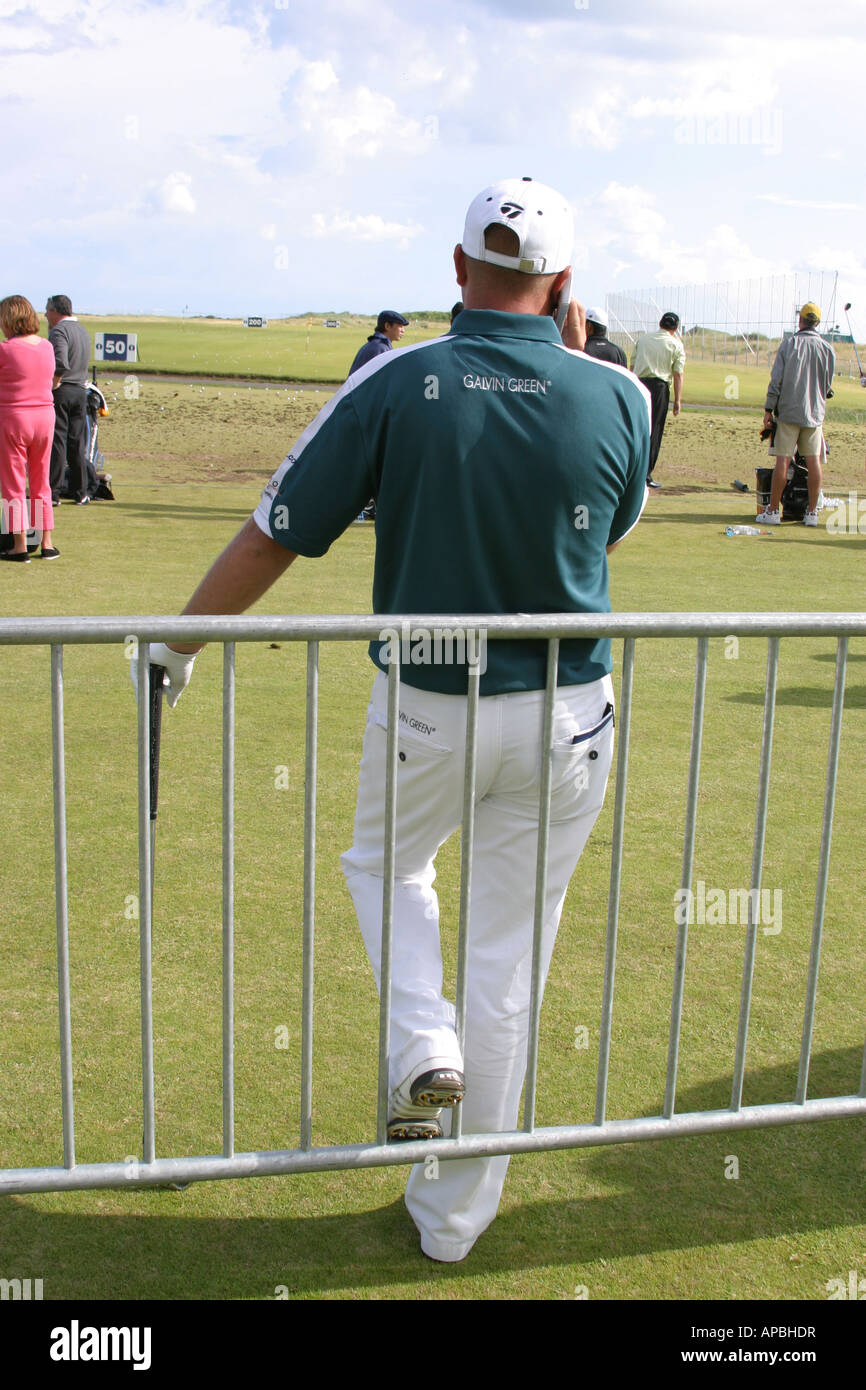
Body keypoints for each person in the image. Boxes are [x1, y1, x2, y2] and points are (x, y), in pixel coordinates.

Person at [141, 177, 650, 1262]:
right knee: (510, 960)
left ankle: (422, 1037)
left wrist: (175, 646)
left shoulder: (395, 377)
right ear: (562, 283)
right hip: (571, 709)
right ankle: (452, 1221)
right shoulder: (621, 394)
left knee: (384, 865)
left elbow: (275, 531)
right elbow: (605, 528)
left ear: (457, 269)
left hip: (426, 699)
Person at [757, 301, 835, 527]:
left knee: (783, 460)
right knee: (814, 462)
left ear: (800, 320)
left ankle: (772, 511)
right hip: (814, 413)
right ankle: (812, 513)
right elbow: (827, 385)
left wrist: (768, 409)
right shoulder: (828, 349)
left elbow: (776, 380)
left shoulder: (789, 344)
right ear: (817, 322)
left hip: (789, 413)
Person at [0, 294, 58, 561]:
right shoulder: (46, 346)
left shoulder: (6, 350)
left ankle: (20, 545)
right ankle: (46, 542)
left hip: (14, 419)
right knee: (40, 481)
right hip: (45, 417)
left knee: (13, 483)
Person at [45, 295, 92, 506]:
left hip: (63, 390)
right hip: (81, 392)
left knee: (58, 442)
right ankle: (80, 491)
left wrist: (54, 383)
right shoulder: (82, 330)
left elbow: (60, 362)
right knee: (77, 443)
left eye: (47, 310)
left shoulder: (59, 331)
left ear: (56, 310)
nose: (46, 315)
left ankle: (53, 493)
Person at [631, 311, 685, 487]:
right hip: (659, 389)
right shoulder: (676, 345)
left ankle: (631, 471)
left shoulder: (643, 339)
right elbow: (677, 375)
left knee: (638, 429)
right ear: (675, 328)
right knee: (654, 431)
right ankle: (645, 474)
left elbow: (632, 366)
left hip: (639, 385)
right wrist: (678, 400)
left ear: (660, 323)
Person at [347, 310, 409, 377]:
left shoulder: (375, 344)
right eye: (400, 326)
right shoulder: (380, 348)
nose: (403, 330)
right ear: (387, 326)